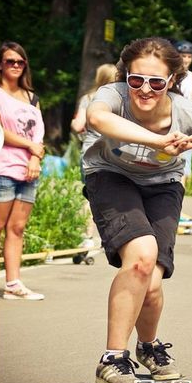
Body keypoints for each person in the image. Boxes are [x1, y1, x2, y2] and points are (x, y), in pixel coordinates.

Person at [83, 36, 192, 383]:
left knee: (152, 281)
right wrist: (158, 141)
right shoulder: (112, 96)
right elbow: (96, 118)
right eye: (136, 80)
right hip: (110, 175)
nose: (145, 89)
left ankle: (149, 347)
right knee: (141, 258)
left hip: (162, 184)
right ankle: (112, 358)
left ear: (171, 81)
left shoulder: (185, 110)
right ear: (125, 77)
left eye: (156, 82)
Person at [0, 41, 45, 301]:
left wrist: (35, 158)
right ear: (0, 64)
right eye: (10, 61)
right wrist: (32, 147)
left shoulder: (32, 97)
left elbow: (40, 134)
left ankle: (13, 284)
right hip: (1, 169)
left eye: (20, 62)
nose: (15, 65)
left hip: (29, 172)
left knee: (17, 228)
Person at [71, 63, 117, 247]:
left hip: (91, 151)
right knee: (117, 192)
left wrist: (81, 129)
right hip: (115, 151)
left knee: (89, 193)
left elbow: (77, 125)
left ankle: (87, 236)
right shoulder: (119, 99)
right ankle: (115, 235)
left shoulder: (88, 98)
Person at [173, 40, 192, 188]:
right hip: (170, 119)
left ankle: (179, 195)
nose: (186, 60)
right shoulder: (171, 73)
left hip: (185, 121)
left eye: (189, 56)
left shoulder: (191, 76)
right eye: (183, 56)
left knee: (185, 161)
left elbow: (191, 100)